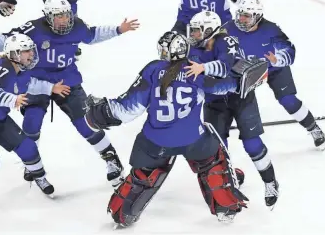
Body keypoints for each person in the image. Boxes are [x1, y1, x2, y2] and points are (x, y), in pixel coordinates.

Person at [82, 31, 269, 227]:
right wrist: (244, 80)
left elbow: (128, 109)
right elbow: (222, 87)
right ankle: (225, 207)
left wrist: (100, 112)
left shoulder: (153, 70)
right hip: (193, 141)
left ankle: (123, 213)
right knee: (213, 157)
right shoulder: (194, 69)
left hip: (155, 142)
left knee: (143, 175)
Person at [0, 0, 139, 187]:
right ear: (48, 17)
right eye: (59, 16)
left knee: (86, 122)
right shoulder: (34, 28)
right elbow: (10, 43)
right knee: (31, 122)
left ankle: (111, 158)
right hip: (36, 81)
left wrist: (118, 29)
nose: (64, 20)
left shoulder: (77, 26)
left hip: (67, 80)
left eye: (66, 15)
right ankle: (32, 164)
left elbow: (92, 35)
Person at [0, 34, 70, 226]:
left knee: (29, 148)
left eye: (31, 50)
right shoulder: (1, 68)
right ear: (15, 54)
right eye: (26, 51)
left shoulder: (22, 69)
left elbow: (30, 84)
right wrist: (12, 100)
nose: (31, 54)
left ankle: (39, 177)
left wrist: (51, 88)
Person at [186, 10, 279, 206]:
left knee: (251, 142)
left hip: (241, 98)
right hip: (214, 102)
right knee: (217, 147)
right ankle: (228, 181)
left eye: (196, 31)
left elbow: (225, 68)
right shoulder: (193, 49)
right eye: (192, 31)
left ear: (209, 30)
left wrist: (204, 69)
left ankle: (270, 181)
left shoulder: (226, 41)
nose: (193, 35)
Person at [225, 0, 325, 150]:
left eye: (247, 16)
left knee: (288, 100)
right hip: (245, 70)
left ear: (257, 17)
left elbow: (290, 51)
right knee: (228, 99)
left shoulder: (271, 30)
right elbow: (214, 48)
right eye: (240, 15)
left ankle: (313, 128)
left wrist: (277, 59)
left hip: (273, 68)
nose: (241, 19)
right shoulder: (228, 28)